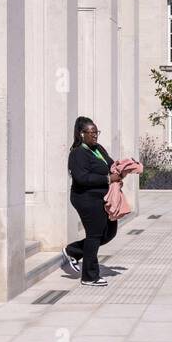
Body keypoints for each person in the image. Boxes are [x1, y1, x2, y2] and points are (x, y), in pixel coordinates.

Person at [63, 116, 122, 287]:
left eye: (97, 132)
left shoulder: (98, 149)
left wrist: (122, 168)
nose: (95, 136)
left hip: (101, 197)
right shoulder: (77, 154)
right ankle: (89, 276)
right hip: (85, 198)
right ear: (82, 134)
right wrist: (108, 179)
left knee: (109, 232)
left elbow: (110, 164)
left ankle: (72, 251)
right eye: (92, 132)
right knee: (94, 235)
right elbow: (82, 178)